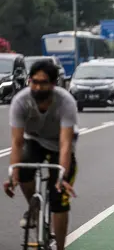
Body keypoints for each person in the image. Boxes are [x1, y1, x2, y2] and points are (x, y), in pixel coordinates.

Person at [3, 60, 78, 250]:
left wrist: (62, 175)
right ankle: (34, 207)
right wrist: (13, 175)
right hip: (34, 141)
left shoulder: (65, 101)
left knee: (59, 198)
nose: (37, 87)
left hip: (59, 145)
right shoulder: (21, 100)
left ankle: (60, 246)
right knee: (23, 169)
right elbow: (17, 141)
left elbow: (65, 142)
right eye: (33, 81)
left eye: (43, 82)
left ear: (53, 84)